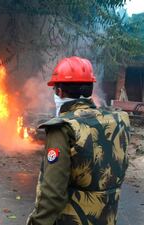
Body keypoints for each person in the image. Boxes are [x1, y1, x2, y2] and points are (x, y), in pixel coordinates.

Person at [27, 56, 130, 225]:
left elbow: (53, 195)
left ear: (59, 91)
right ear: (90, 89)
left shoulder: (63, 128)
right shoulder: (119, 120)